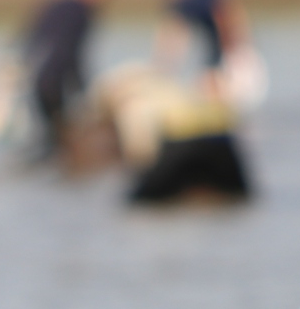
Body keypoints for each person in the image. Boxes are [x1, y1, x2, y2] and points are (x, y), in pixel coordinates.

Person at [93, 61, 250, 204]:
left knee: (138, 202)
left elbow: (139, 152)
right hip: (220, 138)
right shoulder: (169, 86)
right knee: (236, 197)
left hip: (178, 141)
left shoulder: (131, 102)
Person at [20, 0, 114, 159]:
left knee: (50, 138)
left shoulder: (56, 4)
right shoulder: (81, 11)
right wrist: (84, 94)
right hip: (51, 82)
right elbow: (71, 55)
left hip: (35, 80)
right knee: (58, 141)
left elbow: (27, 41)